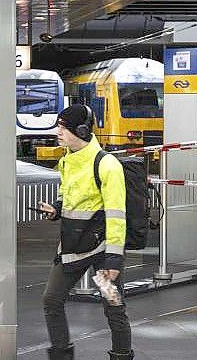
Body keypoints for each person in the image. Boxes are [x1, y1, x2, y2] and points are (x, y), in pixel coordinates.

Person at [38, 104, 133, 360]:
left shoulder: (107, 165)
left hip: (103, 254)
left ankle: (121, 355)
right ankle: (61, 354)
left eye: (62, 127)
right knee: (52, 300)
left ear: (80, 130)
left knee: (114, 306)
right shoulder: (67, 160)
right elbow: (68, 195)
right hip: (72, 248)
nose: (57, 132)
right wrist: (57, 209)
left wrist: (114, 258)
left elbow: (116, 215)